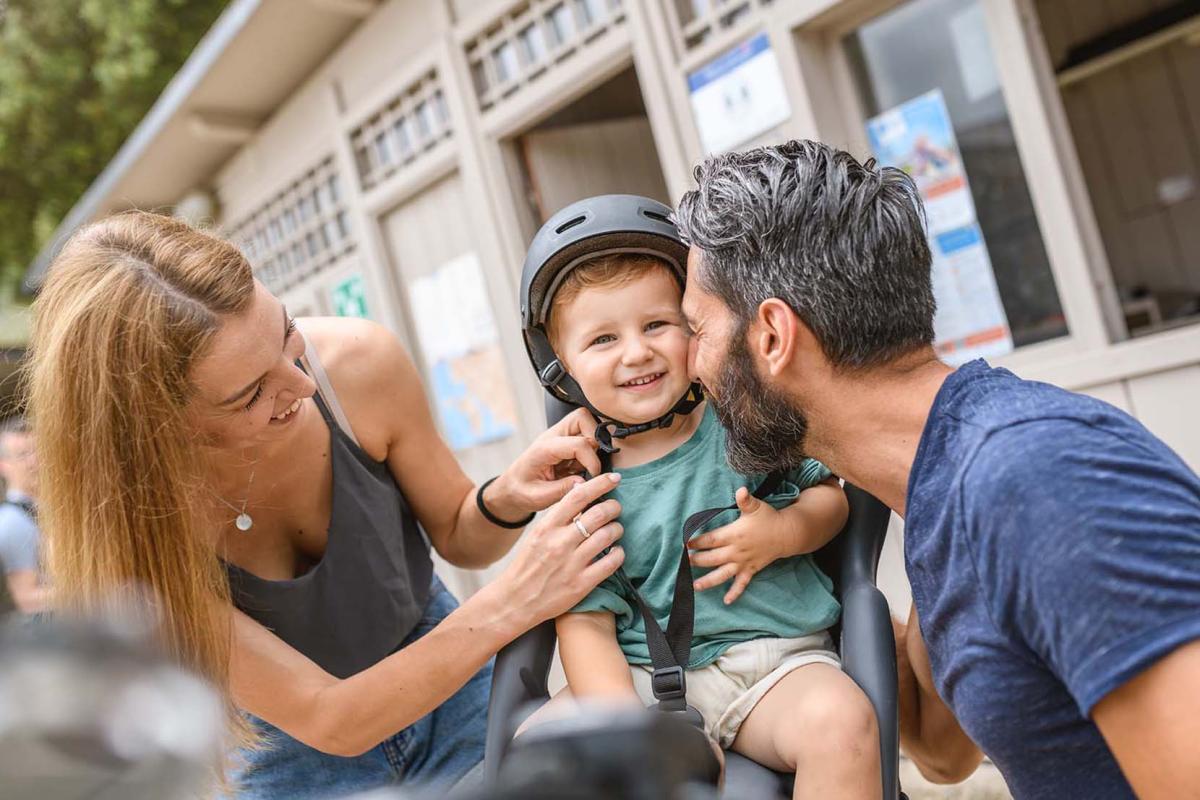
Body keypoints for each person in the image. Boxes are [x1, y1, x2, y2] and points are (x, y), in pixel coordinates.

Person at [26, 211, 627, 799]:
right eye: (251, 394)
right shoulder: (125, 526)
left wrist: (506, 497)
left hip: (450, 678)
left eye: (290, 340)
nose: (303, 386)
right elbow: (326, 717)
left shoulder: (356, 366)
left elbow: (457, 534)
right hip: (284, 750)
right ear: (155, 425)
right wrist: (517, 597)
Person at [673, 140, 1200, 799]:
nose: (689, 368)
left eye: (697, 330)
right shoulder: (938, 484)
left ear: (773, 336)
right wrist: (800, 603)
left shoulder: (1037, 478)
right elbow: (942, 750)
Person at [518, 196, 881, 798]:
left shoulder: (744, 422)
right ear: (562, 368)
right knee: (536, 755)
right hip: (643, 680)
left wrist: (783, 532)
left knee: (842, 727)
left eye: (657, 325)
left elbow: (832, 500)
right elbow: (583, 625)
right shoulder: (579, 481)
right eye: (603, 339)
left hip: (773, 663)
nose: (637, 352)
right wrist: (634, 736)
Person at [0, 417, 48, 613]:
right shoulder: (12, 522)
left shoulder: (42, 510)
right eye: (22, 455)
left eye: (37, 451)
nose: (34, 461)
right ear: (3, 466)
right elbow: (27, 599)